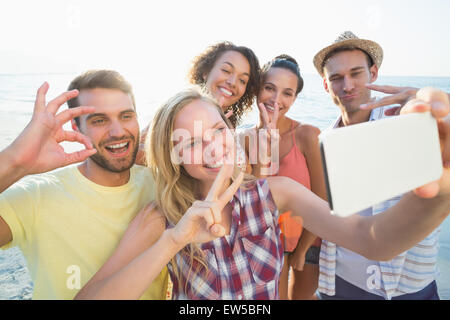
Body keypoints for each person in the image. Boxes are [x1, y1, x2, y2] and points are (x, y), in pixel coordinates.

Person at [74, 87, 450, 300]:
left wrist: (439, 188)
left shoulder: (277, 193)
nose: (213, 149)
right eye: (190, 142)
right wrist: (173, 241)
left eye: (218, 131)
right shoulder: (161, 219)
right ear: (173, 157)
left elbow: (372, 240)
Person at [0, 70, 168, 299]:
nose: (118, 131)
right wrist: (16, 160)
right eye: (99, 120)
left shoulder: (160, 184)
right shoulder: (36, 196)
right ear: (76, 128)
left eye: (126, 116)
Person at [313, 31, 450, 300]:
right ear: (327, 86)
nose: (348, 85)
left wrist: (438, 113)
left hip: (408, 287)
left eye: (356, 73)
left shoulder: (407, 123)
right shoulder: (323, 141)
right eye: (337, 78)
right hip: (339, 284)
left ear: (373, 73)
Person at [251, 55, 326, 300]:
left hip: (308, 242)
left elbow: (322, 198)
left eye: (287, 93)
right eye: (269, 88)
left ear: (294, 98)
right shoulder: (245, 139)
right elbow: (253, 200)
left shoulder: (306, 134)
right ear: (257, 88)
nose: (276, 99)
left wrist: (303, 249)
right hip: (266, 245)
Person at [188, 41, 260, 127]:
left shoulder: (230, 131)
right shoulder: (180, 114)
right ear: (206, 71)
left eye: (242, 80)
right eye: (226, 71)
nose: (233, 82)